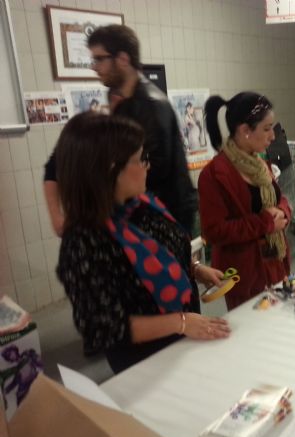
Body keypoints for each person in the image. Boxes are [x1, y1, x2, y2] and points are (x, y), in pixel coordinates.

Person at [55, 113, 230, 374]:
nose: (148, 166)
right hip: (145, 364)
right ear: (110, 170)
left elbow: (163, 253)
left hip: (184, 340)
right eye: (141, 159)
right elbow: (104, 328)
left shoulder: (140, 205)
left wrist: (193, 268)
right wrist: (180, 322)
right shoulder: (83, 241)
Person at [43, 24, 197, 237]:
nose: (94, 67)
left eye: (99, 59)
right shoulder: (119, 101)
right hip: (139, 221)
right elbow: (56, 162)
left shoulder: (150, 106)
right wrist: (59, 217)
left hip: (162, 223)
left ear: (123, 59)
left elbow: (143, 176)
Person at [198, 92, 291, 310]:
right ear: (245, 131)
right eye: (266, 129)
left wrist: (282, 212)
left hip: (276, 264)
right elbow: (214, 231)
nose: (273, 136)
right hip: (245, 275)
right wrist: (266, 223)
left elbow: (278, 199)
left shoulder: (259, 164)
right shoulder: (214, 174)